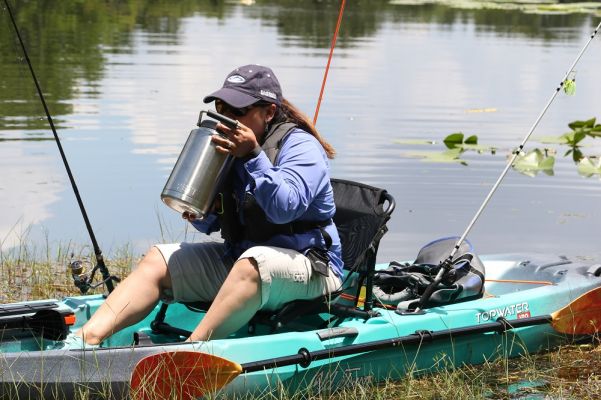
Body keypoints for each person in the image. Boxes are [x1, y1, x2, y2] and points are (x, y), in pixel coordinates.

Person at [63, 64, 343, 348]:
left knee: (253, 264)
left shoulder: (301, 147)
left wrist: (253, 156)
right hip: (246, 263)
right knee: (158, 260)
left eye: (238, 112)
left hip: (311, 268)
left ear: (269, 112)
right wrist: (201, 212)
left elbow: (285, 209)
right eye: (222, 108)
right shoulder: (229, 147)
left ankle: (189, 353)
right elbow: (215, 224)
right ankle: (82, 343)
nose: (227, 119)